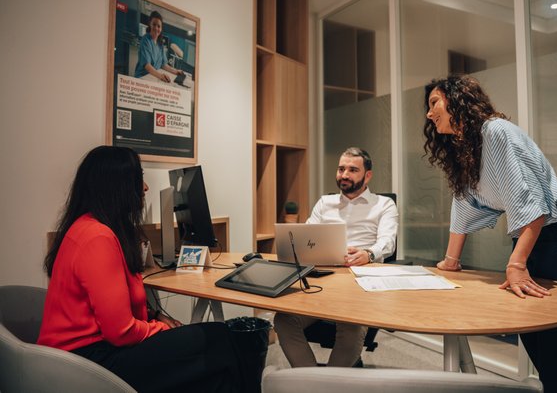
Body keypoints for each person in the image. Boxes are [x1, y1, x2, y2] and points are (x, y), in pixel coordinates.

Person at [422, 75, 557, 393]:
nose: (429, 113)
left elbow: (532, 202)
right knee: (534, 338)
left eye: (434, 103)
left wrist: (516, 264)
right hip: (528, 235)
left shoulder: (496, 132)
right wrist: (451, 260)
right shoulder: (466, 146)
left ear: (457, 100)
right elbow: (462, 203)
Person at [38, 146, 247, 393]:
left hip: (84, 353)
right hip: (87, 362)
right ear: (117, 186)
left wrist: (155, 317)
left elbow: (111, 309)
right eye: (139, 179)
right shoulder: (97, 238)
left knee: (210, 364)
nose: (145, 188)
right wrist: (161, 328)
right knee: (219, 338)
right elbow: (121, 332)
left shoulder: (86, 227)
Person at [274, 147, 398, 368]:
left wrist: (368, 254)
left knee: (351, 326)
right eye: (341, 169)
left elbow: (387, 242)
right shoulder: (325, 203)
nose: (344, 175)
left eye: (352, 169)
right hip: (322, 279)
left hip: (360, 283)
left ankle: (330, 382)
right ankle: (311, 379)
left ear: (367, 175)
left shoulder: (383, 204)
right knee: (283, 320)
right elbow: (306, 237)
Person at [134, 10, 183, 82]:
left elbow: (163, 65)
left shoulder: (160, 44)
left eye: (159, 26)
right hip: (143, 77)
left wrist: (175, 71)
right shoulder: (145, 40)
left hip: (153, 76)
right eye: (154, 24)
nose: (156, 28)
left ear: (161, 28)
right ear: (150, 24)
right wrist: (160, 76)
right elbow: (147, 65)